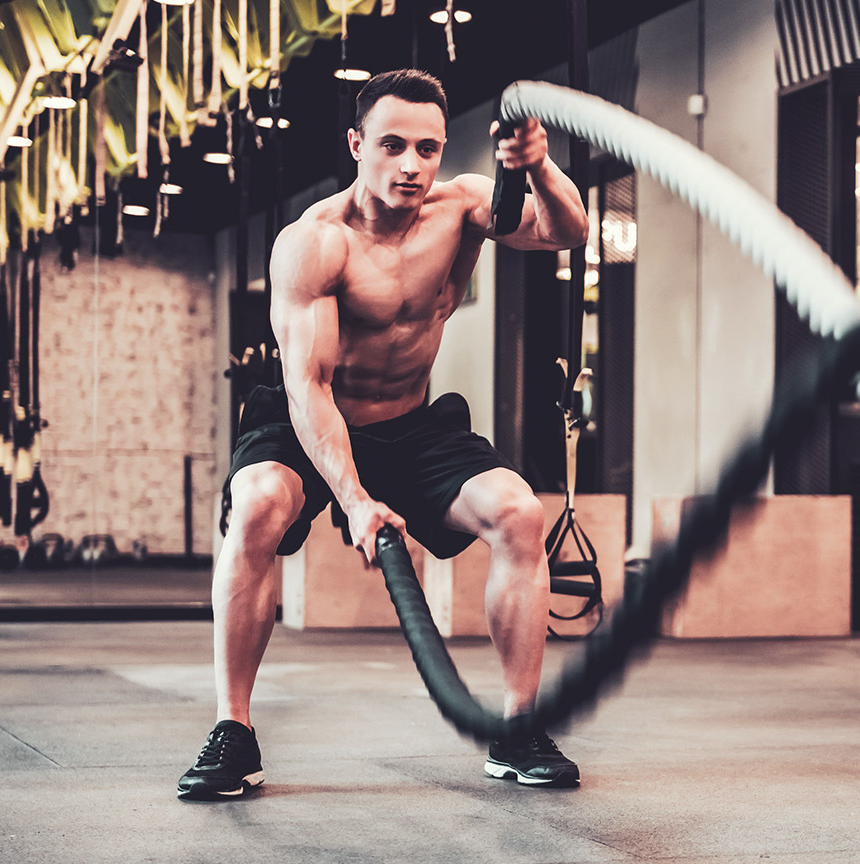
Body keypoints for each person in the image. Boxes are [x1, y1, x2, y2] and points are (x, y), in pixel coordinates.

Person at [177, 69, 589, 800]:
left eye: (428, 148)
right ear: (355, 143)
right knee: (259, 504)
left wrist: (538, 167)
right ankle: (232, 731)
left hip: (411, 422)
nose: (411, 164)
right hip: (306, 421)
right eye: (393, 145)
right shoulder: (313, 243)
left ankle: (518, 727)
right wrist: (354, 498)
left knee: (520, 512)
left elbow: (566, 231)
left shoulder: (461, 208)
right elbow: (310, 388)